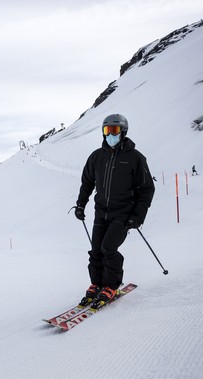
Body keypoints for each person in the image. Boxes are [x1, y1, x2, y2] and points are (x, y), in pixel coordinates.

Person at [74, 114, 155, 307]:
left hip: (123, 213)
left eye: (114, 131)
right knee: (96, 250)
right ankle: (97, 283)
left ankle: (111, 285)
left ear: (123, 132)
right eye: (106, 131)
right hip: (101, 212)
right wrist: (80, 204)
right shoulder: (96, 157)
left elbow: (147, 189)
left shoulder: (135, 158)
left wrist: (138, 216)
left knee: (108, 248)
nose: (110, 135)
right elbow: (87, 183)